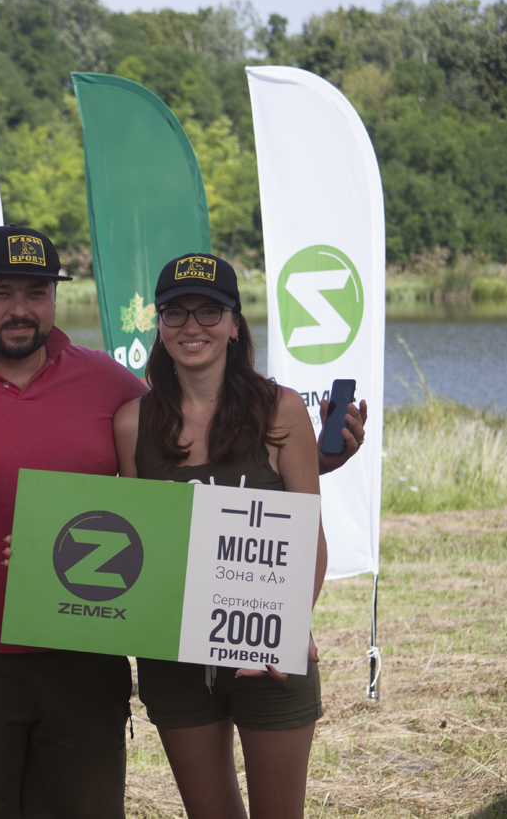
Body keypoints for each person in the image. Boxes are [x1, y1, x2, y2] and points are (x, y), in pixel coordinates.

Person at [0, 226, 366, 818]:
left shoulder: (109, 384)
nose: (21, 308)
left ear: (235, 323)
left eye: (37, 292)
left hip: (108, 656)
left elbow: (258, 508)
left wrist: (315, 463)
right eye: (1, 292)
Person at [113, 253, 332, 819]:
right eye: (175, 313)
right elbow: (136, 544)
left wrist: (285, 627)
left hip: (267, 653)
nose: (193, 327)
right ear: (159, 325)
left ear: (235, 324)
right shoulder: (132, 423)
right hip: (173, 656)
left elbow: (309, 537)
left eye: (209, 311)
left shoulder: (282, 410)